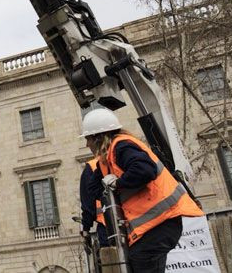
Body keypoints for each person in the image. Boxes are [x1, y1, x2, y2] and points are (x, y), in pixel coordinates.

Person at [80, 107, 203, 273]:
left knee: (141, 260)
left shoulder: (121, 146)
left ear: (98, 138)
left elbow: (144, 170)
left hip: (161, 222)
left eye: (88, 139)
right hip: (154, 226)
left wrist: (117, 184)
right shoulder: (106, 159)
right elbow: (93, 190)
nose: (87, 144)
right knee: (136, 262)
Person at [79, 156, 108, 247]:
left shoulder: (92, 166)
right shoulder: (123, 155)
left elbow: (88, 203)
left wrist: (86, 229)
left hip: (106, 224)